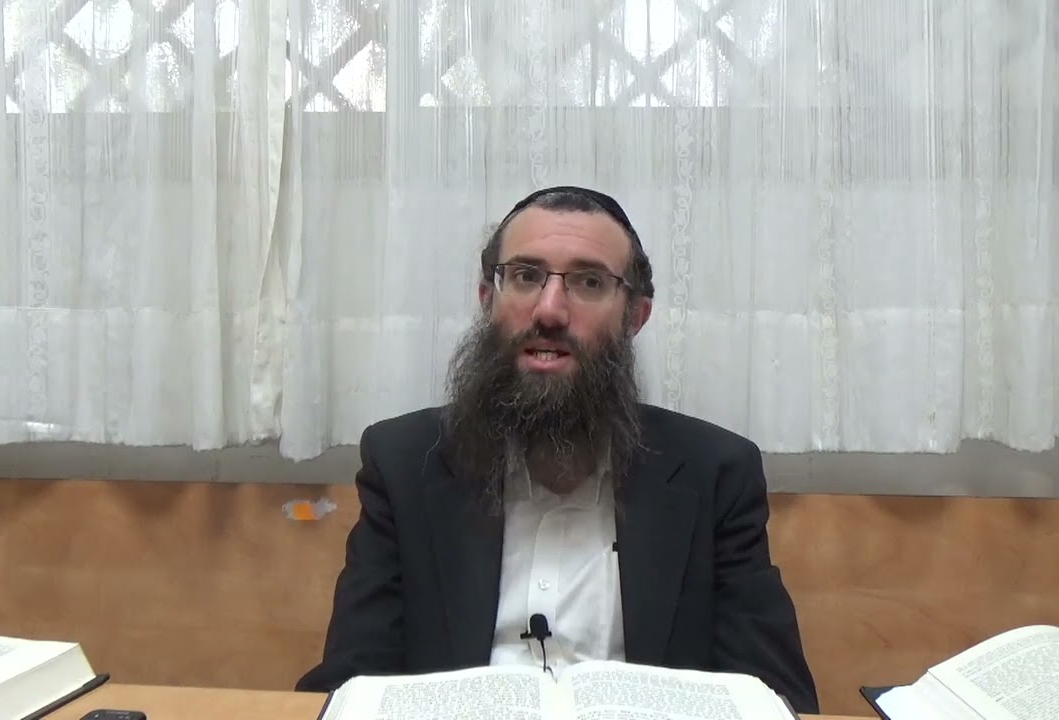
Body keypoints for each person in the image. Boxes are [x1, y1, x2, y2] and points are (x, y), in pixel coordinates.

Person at [295, 186, 819, 714]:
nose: (549, 311)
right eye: (525, 276)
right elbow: (351, 688)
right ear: (488, 300)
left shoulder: (714, 473)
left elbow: (773, 698)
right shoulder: (405, 463)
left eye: (589, 282)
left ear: (635, 317)